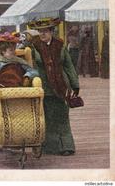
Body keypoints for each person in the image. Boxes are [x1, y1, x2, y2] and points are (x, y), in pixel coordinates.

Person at [28, 17, 79, 156]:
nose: (42, 34)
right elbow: (28, 63)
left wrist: (75, 85)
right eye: (40, 31)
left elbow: (68, 65)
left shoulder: (60, 45)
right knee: (47, 117)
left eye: (45, 31)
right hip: (43, 86)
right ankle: (50, 147)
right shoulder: (34, 46)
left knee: (62, 116)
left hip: (61, 86)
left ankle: (67, 146)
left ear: (51, 31)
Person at [0, 32, 39, 142]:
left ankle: (22, 130)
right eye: (10, 50)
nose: (13, 52)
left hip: (15, 86)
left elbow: (32, 71)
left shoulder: (19, 61)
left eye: (14, 49)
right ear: (3, 51)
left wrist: (27, 77)